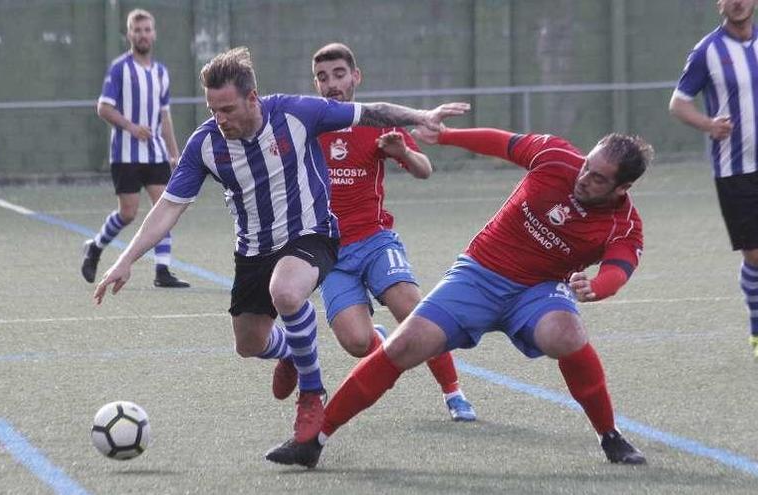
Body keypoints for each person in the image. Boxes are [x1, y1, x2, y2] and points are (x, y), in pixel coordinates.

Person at [92, 47, 469, 444]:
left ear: (252, 98)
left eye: (228, 109)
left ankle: (312, 394)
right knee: (249, 344)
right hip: (254, 249)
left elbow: (371, 111)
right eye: (213, 109)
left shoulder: (296, 113)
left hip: (313, 234)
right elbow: (169, 207)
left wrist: (421, 118)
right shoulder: (205, 144)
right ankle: (291, 349)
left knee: (287, 292)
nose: (220, 119)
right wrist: (127, 259)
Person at [266, 126, 653, 468]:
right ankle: (313, 442)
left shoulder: (625, 226)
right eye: (587, 165)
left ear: (622, 188)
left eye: (598, 178)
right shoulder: (554, 156)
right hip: (478, 274)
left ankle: (610, 436)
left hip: (537, 290)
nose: (583, 178)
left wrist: (596, 287)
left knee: (567, 335)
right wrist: (446, 136)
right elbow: (501, 143)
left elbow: (618, 270)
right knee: (404, 345)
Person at [303, 42, 475, 421]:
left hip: (376, 241)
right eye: (322, 77)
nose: (331, 84)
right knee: (357, 342)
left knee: (415, 313)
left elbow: (424, 169)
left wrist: (402, 151)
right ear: (315, 84)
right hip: (330, 253)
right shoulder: (309, 127)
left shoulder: (379, 121)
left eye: (339, 74)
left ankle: (454, 393)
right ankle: (380, 340)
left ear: (356, 77)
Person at [669, 0, 758, 359]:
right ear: (719, 3)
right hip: (734, 169)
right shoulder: (708, 50)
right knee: (754, 254)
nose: (738, 2)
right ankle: (756, 330)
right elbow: (678, 103)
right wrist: (708, 125)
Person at [81, 8, 189, 289]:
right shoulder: (120, 69)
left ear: (154, 34)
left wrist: (174, 152)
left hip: (154, 153)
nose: (142, 35)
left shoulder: (162, 73)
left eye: (147, 30)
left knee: (165, 207)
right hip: (125, 154)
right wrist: (131, 127)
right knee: (128, 213)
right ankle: (95, 246)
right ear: (129, 34)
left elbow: (165, 116)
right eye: (137, 30)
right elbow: (103, 108)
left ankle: (162, 270)